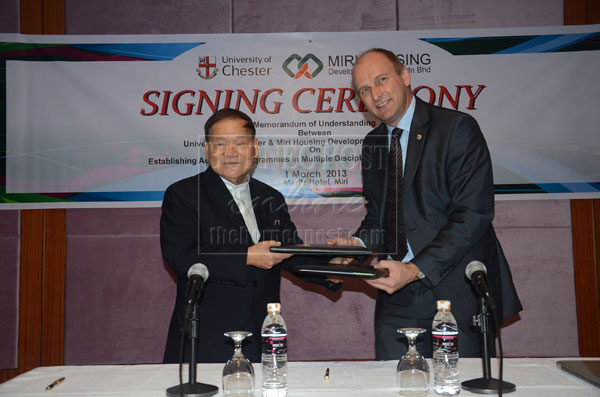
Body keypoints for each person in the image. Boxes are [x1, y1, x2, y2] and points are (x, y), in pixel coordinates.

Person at [329, 48, 522, 359]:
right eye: (364, 89)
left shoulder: (456, 129)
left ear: (405, 75)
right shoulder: (373, 144)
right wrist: (352, 248)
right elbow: (381, 218)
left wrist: (415, 269)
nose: (375, 94)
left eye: (382, 80)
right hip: (395, 297)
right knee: (395, 386)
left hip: (454, 295)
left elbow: (472, 215)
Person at [160, 108, 330, 363]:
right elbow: (181, 257)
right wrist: (246, 256)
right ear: (207, 149)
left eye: (240, 143)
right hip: (207, 340)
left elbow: (290, 252)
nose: (230, 152)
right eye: (220, 144)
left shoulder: (271, 197)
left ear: (254, 148)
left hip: (263, 335)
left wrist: (332, 267)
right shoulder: (183, 195)